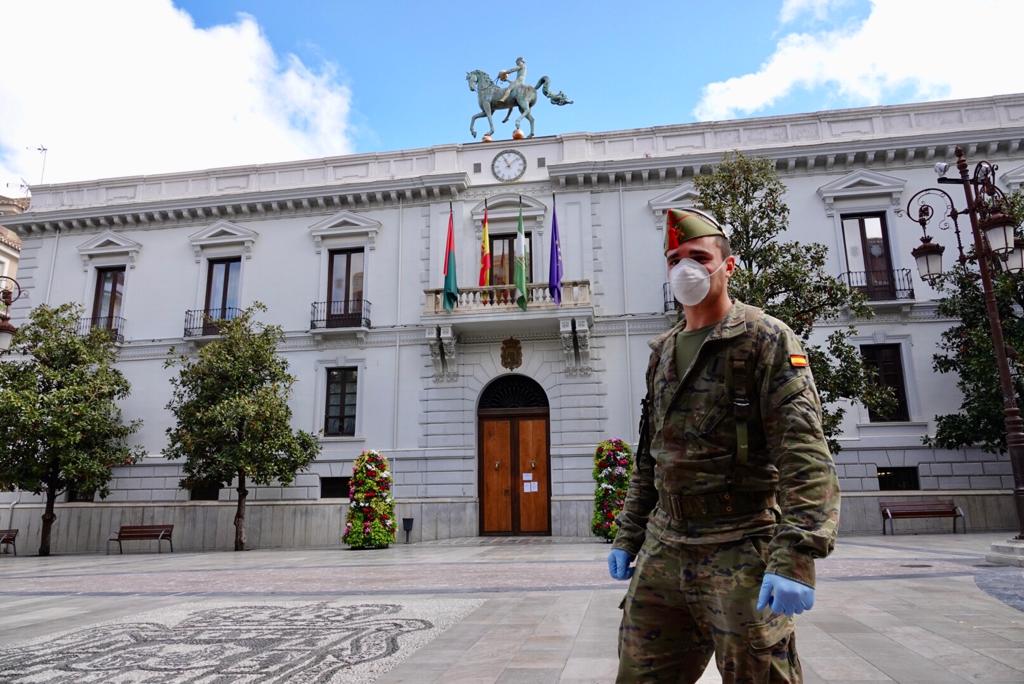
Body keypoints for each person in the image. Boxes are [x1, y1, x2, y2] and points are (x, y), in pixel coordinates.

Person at [608, 208, 840, 683]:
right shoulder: (664, 352)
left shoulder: (764, 338)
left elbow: (804, 456)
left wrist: (796, 556)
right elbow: (650, 456)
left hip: (739, 544)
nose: (683, 269)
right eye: (674, 259)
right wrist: (629, 534)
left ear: (726, 266)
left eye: (697, 256)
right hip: (664, 547)